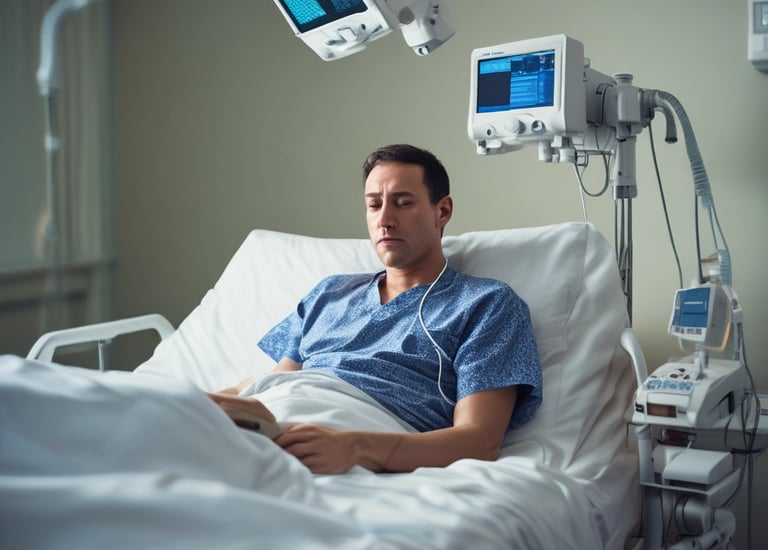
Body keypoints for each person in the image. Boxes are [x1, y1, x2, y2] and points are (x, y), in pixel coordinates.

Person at [208, 144, 542, 475]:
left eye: (403, 203)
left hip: (354, 429)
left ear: (442, 211)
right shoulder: (331, 293)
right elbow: (278, 382)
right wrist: (204, 403)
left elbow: (479, 441)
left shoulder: (486, 304)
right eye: (374, 205)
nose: (384, 220)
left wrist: (354, 447)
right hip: (273, 418)